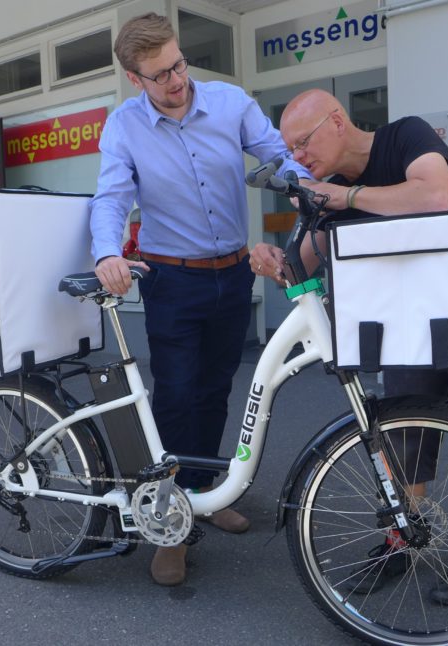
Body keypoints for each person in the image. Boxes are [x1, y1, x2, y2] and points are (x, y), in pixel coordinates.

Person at [249, 89, 448, 605]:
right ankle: (402, 539)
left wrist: (344, 198)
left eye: (303, 143)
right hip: (403, 321)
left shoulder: (404, 136)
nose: (299, 158)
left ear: (337, 120)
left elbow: (433, 196)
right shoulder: (327, 191)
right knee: (401, 435)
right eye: (291, 151)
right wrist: (270, 260)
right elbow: (298, 269)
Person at [89, 13, 307, 587]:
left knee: (215, 390)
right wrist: (107, 252)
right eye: (160, 75)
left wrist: (304, 184)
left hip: (231, 275)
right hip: (172, 280)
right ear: (135, 79)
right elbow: (111, 198)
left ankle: (205, 492)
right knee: (177, 396)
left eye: (179, 64)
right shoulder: (124, 127)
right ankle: (170, 522)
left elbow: (278, 153)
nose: (176, 80)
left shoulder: (230, 104)